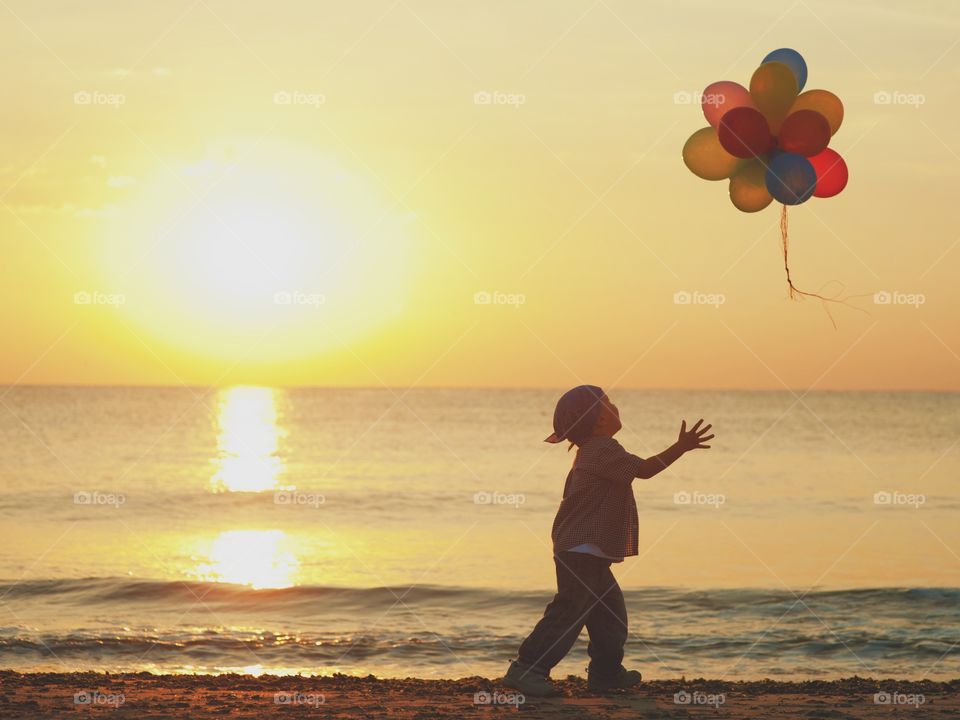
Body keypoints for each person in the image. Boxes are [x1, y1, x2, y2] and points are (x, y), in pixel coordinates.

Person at [502, 385, 714, 696]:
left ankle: (605, 672)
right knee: (569, 611)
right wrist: (680, 447)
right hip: (581, 549)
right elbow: (644, 470)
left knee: (610, 614)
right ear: (599, 420)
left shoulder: (595, 450)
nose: (616, 407)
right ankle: (526, 669)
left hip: (586, 550)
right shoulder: (602, 449)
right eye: (610, 404)